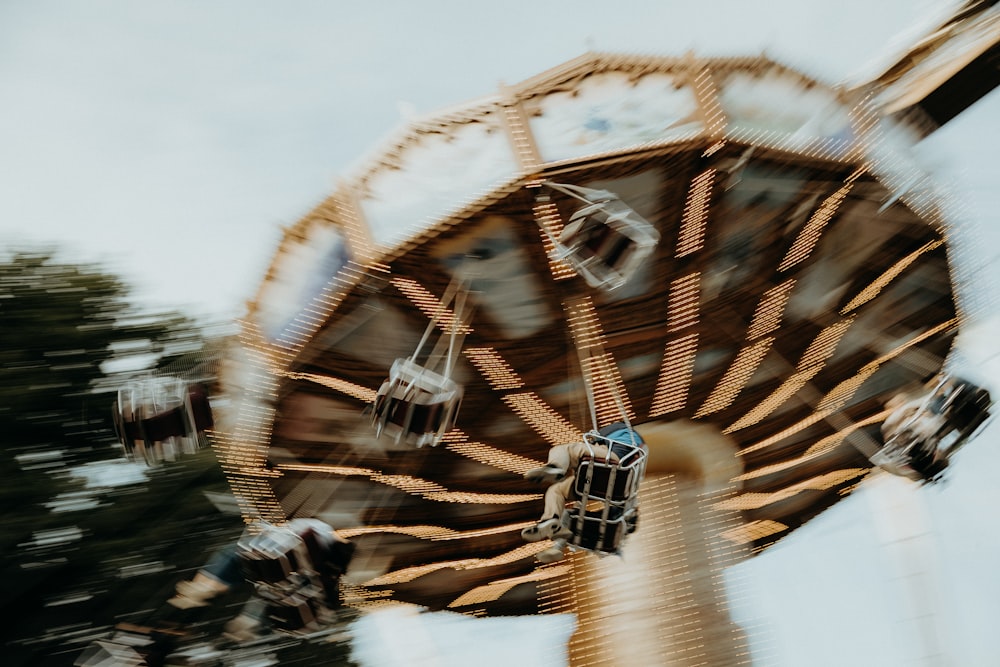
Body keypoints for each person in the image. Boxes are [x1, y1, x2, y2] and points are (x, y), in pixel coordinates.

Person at [521, 422, 645, 563]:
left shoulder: (620, 432)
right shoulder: (632, 441)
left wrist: (594, 438)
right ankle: (551, 521)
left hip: (609, 466)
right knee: (556, 490)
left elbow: (597, 443)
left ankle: (556, 467)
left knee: (566, 449)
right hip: (611, 483)